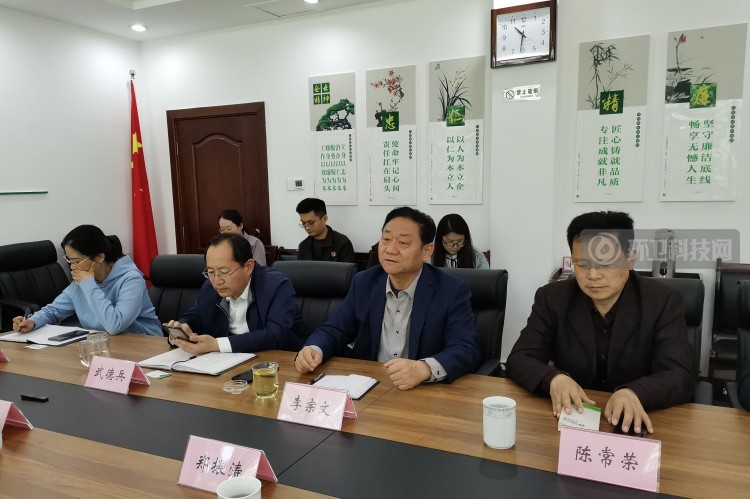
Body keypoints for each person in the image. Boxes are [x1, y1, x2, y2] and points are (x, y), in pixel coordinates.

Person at [506, 211, 694, 435]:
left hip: (638, 423)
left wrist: (635, 392)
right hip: (572, 420)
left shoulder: (662, 301)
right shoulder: (553, 298)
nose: (593, 275)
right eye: (582, 264)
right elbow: (520, 357)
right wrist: (554, 379)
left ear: (630, 259)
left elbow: (679, 375)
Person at [295, 207, 481, 390]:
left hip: (422, 390)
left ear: (426, 251)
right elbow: (335, 329)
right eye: (386, 239)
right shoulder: (364, 282)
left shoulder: (451, 290)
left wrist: (424, 369)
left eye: (403, 243)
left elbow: (465, 348)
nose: (390, 249)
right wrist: (314, 348)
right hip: (368, 385)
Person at [166, 233, 307, 354]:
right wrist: (182, 329)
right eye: (211, 272)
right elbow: (195, 316)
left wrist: (217, 345)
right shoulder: (210, 286)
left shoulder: (275, 285)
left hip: (277, 363)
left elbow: (275, 335)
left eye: (224, 272)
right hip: (227, 363)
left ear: (248, 266)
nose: (217, 281)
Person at [12, 225, 161, 336]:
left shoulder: (131, 279)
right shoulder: (83, 280)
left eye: (76, 261)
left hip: (145, 345)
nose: (72, 267)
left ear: (99, 257)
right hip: (105, 344)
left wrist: (88, 284)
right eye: (69, 261)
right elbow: (54, 310)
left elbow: (115, 325)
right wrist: (32, 321)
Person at [296, 197, 355, 263]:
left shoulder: (342, 243)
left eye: (311, 222)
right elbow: (301, 269)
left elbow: (348, 269)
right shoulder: (303, 246)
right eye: (303, 223)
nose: (307, 228)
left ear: (324, 218)